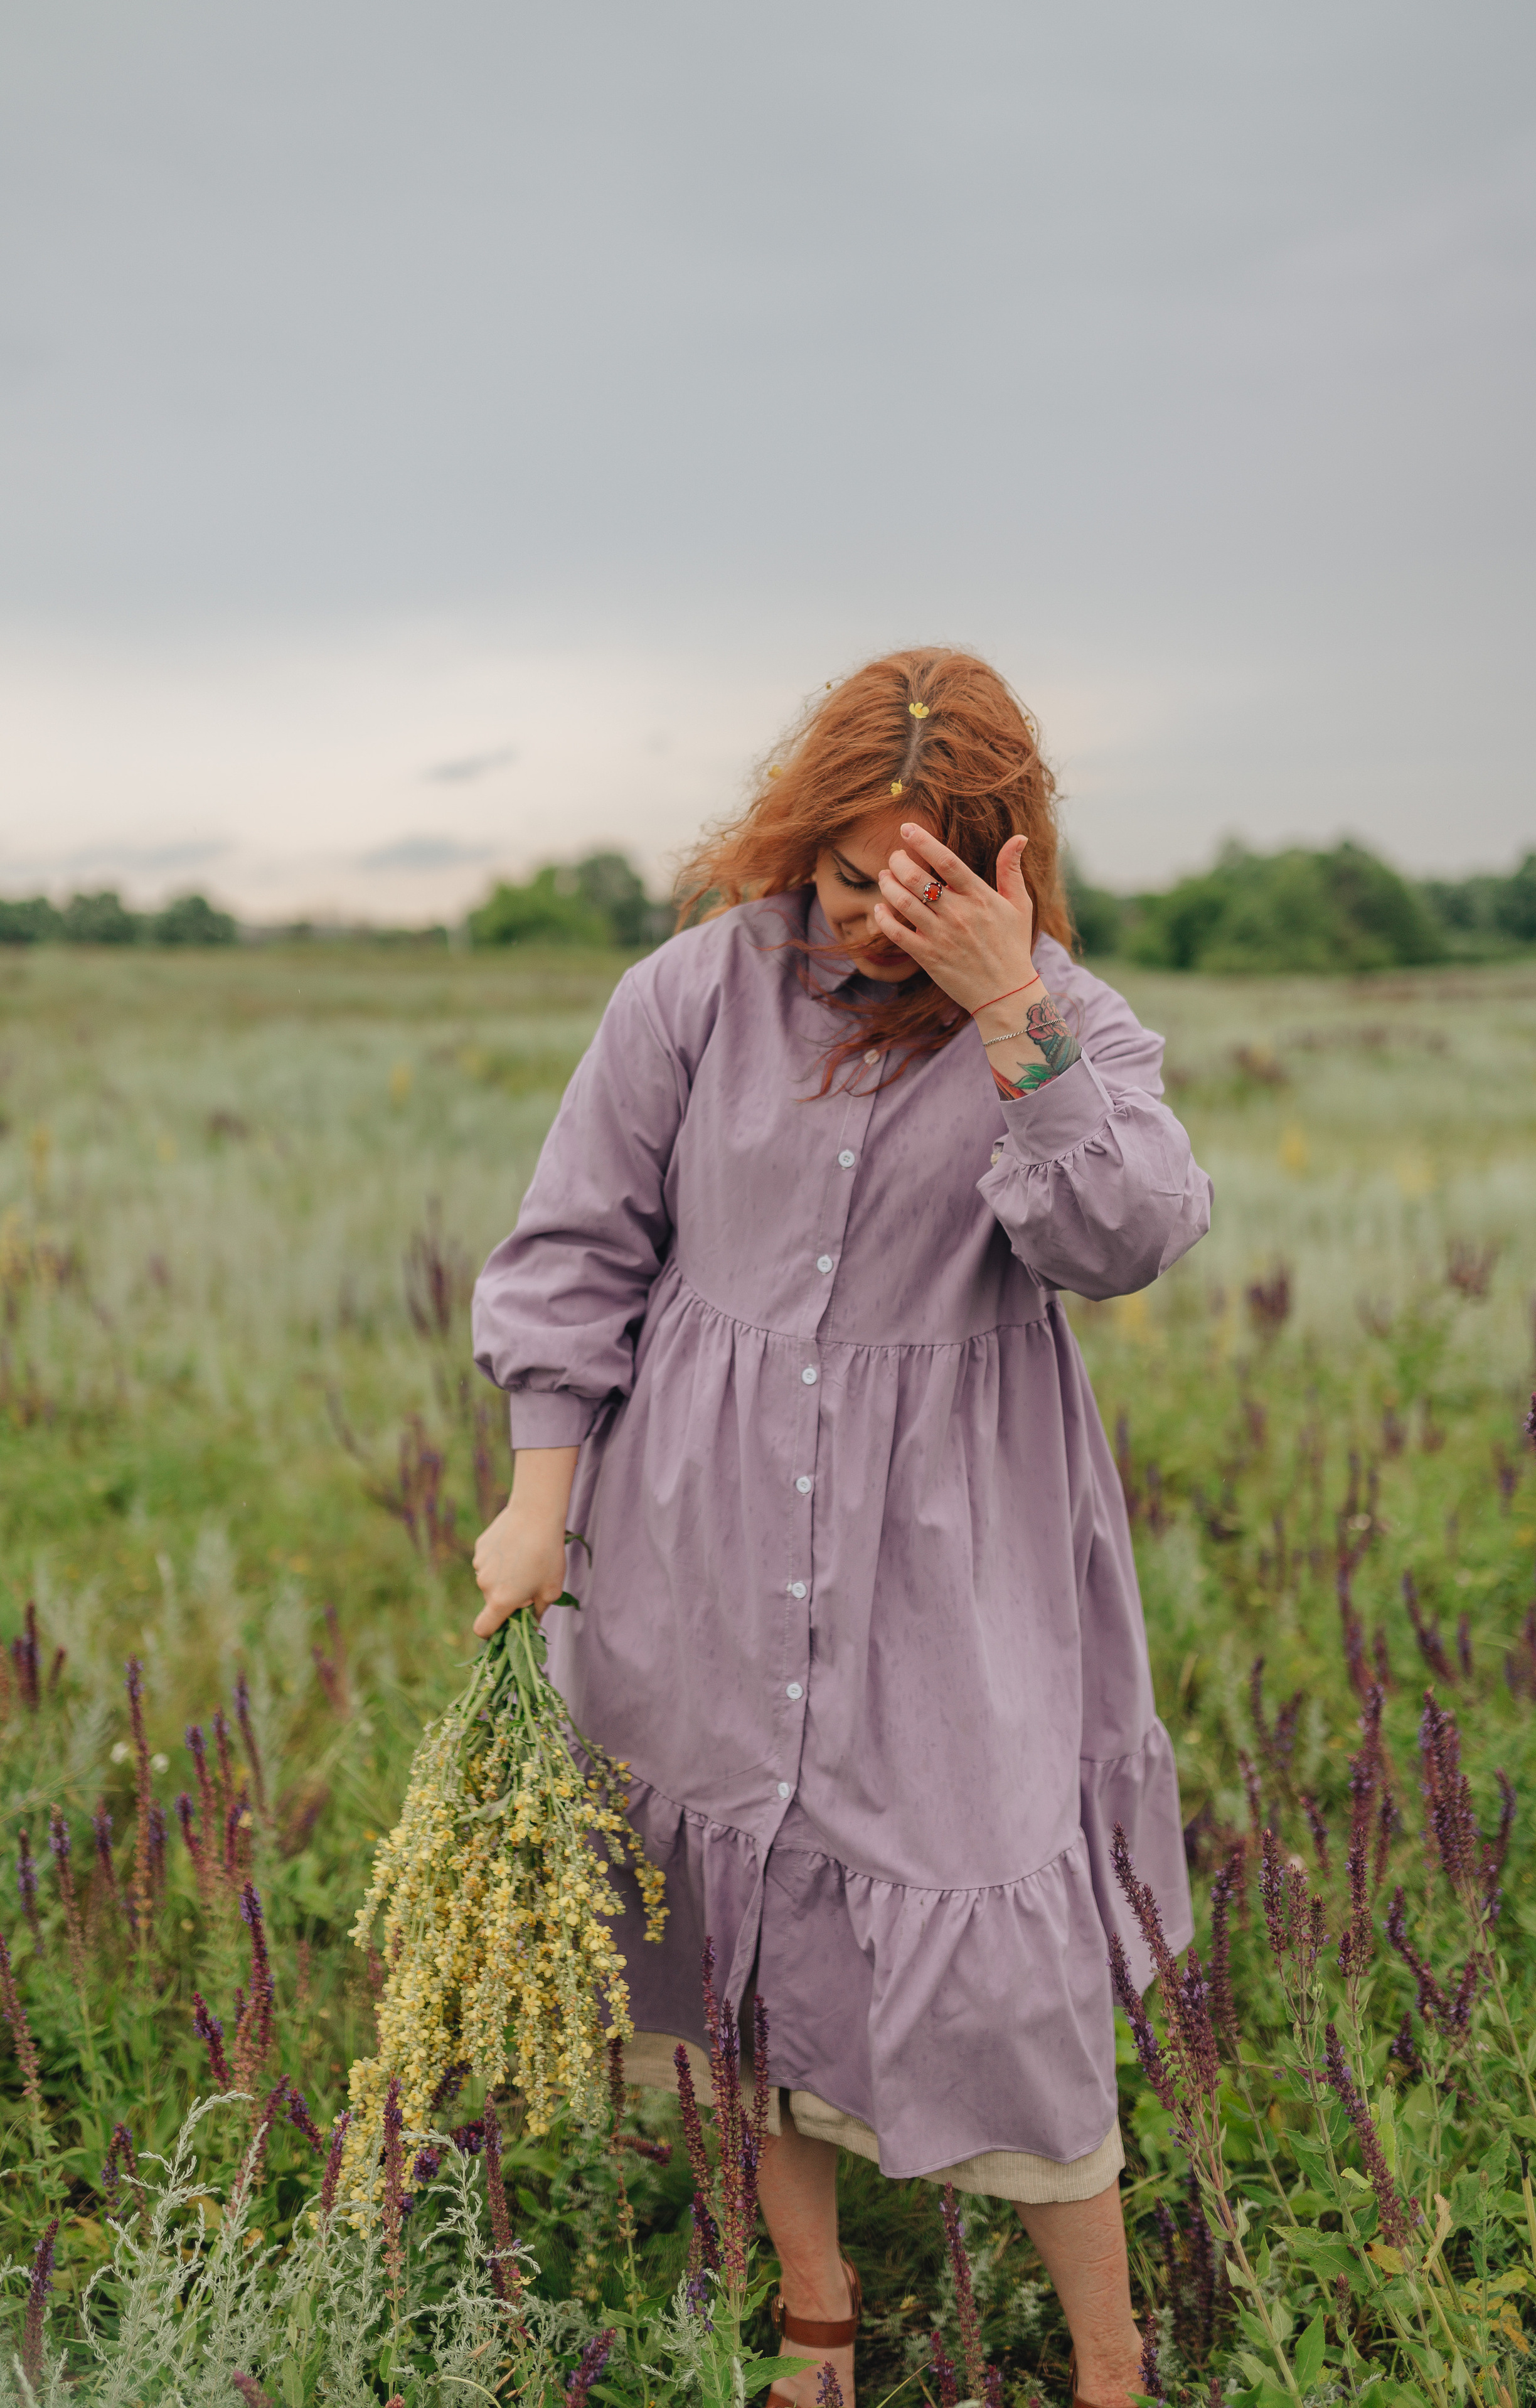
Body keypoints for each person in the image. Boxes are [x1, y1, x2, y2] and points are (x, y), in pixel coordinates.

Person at [471, 648, 1210, 2408]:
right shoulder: (689, 997)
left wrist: (1008, 1011)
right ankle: (820, 2322)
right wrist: (537, 1503)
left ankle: (1113, 2373)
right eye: (849, 873)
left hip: (952, 1566)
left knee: (1002, 1961)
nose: (879, 917)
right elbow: (580, 1248)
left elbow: (1125, 1239)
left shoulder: (1070, 1026)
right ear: (795, 841)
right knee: (729, 1933)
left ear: (1002, 861)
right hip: (695, 1542)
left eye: (927, 881)